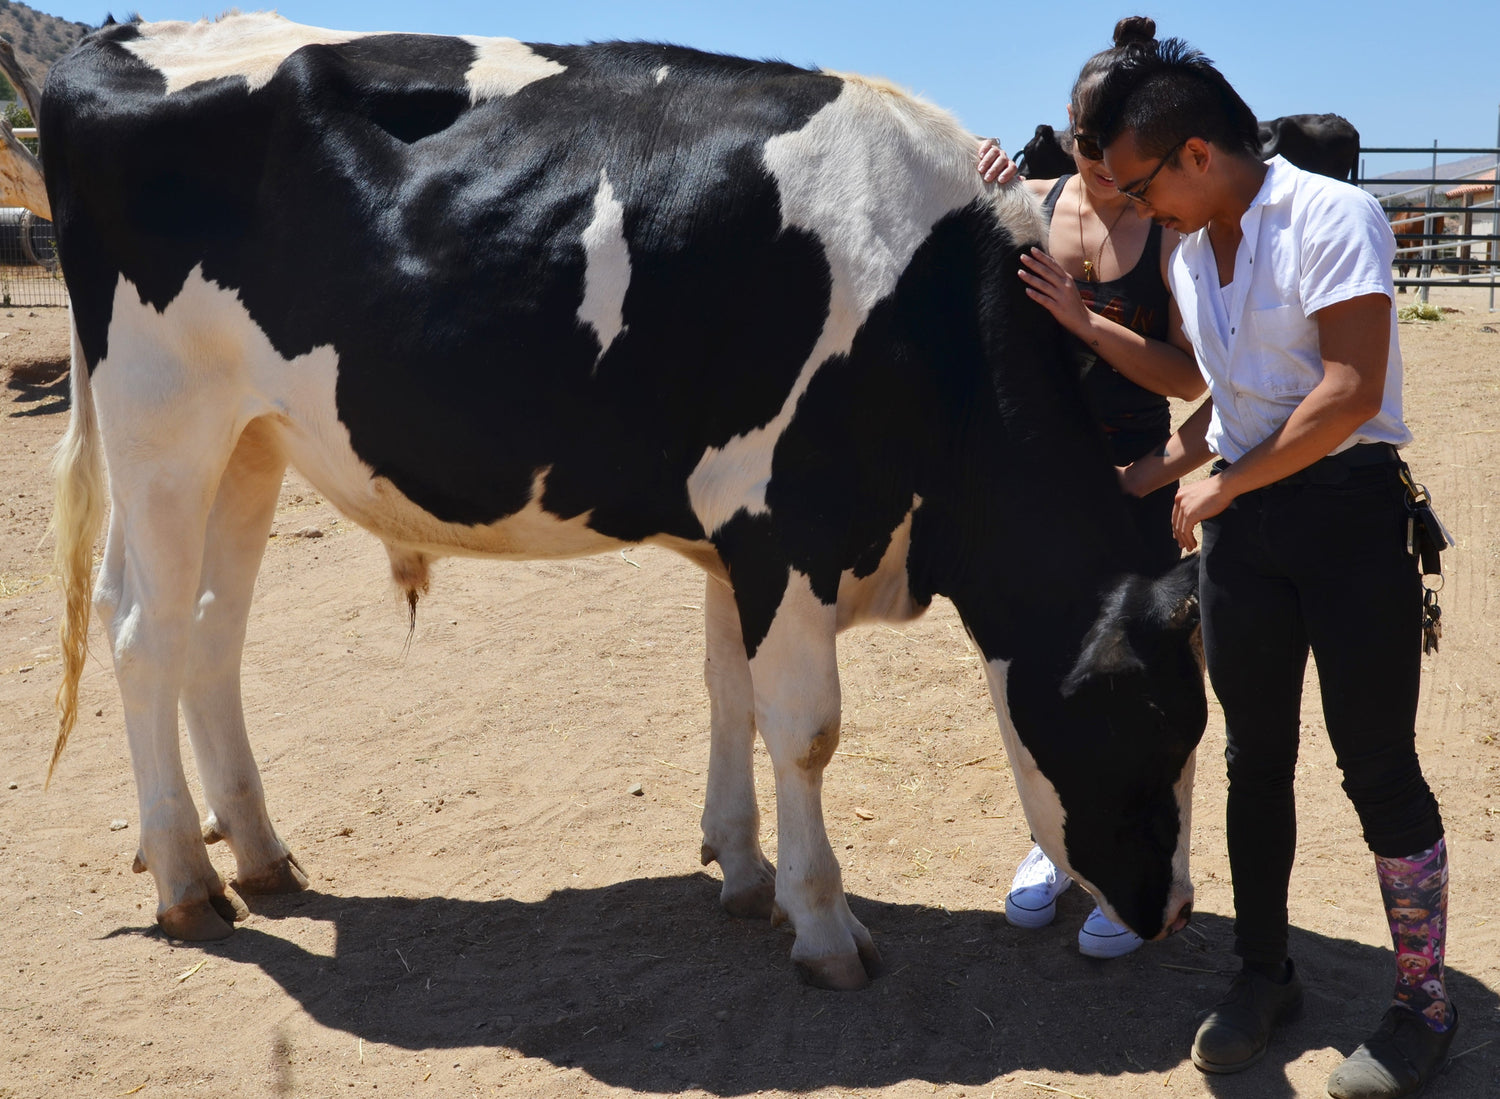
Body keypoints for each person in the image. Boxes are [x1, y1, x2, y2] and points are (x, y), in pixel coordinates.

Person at [1081, 35, 1456, 1099]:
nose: (1143, 209)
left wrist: (1224, 487)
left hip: (1345, 521)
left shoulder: (1333, 217)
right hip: (1247, 540)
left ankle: (1425, 1000)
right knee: (1255, 758)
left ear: (1197, 152)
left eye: (1145, 185)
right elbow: (1228, 398)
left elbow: (1346, 387)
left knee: (1377, 761)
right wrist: (1160, 471)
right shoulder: (1196, 252)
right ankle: (1262, 972)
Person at [975, 16, 1205, 960]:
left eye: (1109, 146)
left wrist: (1082, 318)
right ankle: (1054, 846)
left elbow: (1189, 379)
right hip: (1038, 492)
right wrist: (979, 176)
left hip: (1138, 479)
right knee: (1037, 674)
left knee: (1156, 680)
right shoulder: (1031, 202)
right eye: (1080, 142)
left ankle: (1160, 861)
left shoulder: (1172, 229)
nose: (1098, 163)